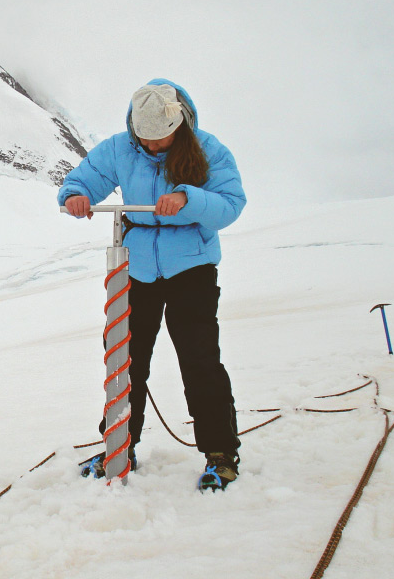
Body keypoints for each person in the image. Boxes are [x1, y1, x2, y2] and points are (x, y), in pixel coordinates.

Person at [59, 78, 246, 489]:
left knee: (200, 361)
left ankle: (220, 453)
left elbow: (231, 205)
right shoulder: (119, 148)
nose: (152, 146)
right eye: (145, 138)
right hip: (136, 268)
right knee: (124, 361)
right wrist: (75, 195)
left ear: (178, 126)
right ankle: (119, 446)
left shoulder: (209, 150)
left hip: (192, 268)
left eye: (160, 139)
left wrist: (187, 199)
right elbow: (85, 178)